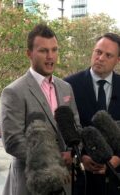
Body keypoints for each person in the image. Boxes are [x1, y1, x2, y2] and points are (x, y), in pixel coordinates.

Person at [0, 23, 80, 195]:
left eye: (54, 50)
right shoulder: (13, 92)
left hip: (65, 184)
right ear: (29, 54)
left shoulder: (66, 88)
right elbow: (13, 142)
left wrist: (72, 152)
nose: (50, 56)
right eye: (43, 51)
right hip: (30, 186)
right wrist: (54, 159)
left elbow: (76, 129)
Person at [65, 33, 120, 195]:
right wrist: (80, 157)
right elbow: (63, 129)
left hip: (115, 180)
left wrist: (117, 159)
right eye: (98, 52)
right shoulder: (69, 85)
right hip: (82, 179)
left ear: (117, 60)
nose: (100, 58)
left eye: (108, 55)